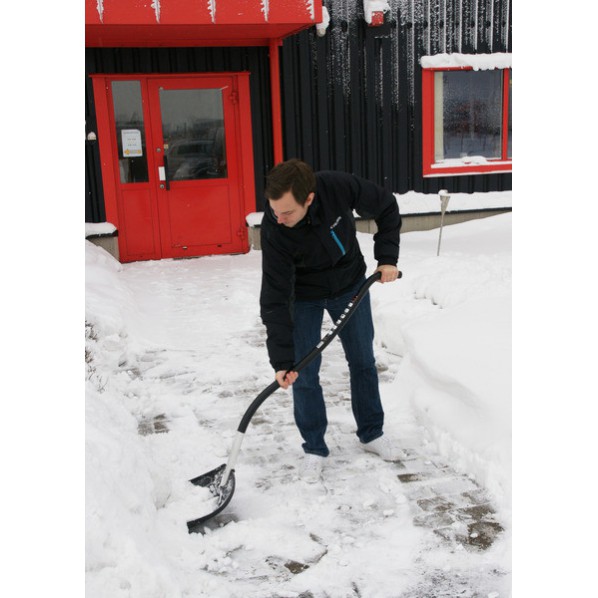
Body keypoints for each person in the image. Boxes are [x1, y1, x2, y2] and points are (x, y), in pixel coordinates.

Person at [259, 159, 402, 482]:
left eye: (287, 213)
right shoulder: (275, 230)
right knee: (303, 372)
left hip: (349, 283)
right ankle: (314, 447)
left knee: (363, 360)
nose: (279, 219)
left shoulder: (338, 187)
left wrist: (387, 259)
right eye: (274, 211)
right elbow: (275, 297)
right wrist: (281, 361)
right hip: (304, 296)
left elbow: (387, 207)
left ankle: (371, 433)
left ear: (309, 198)